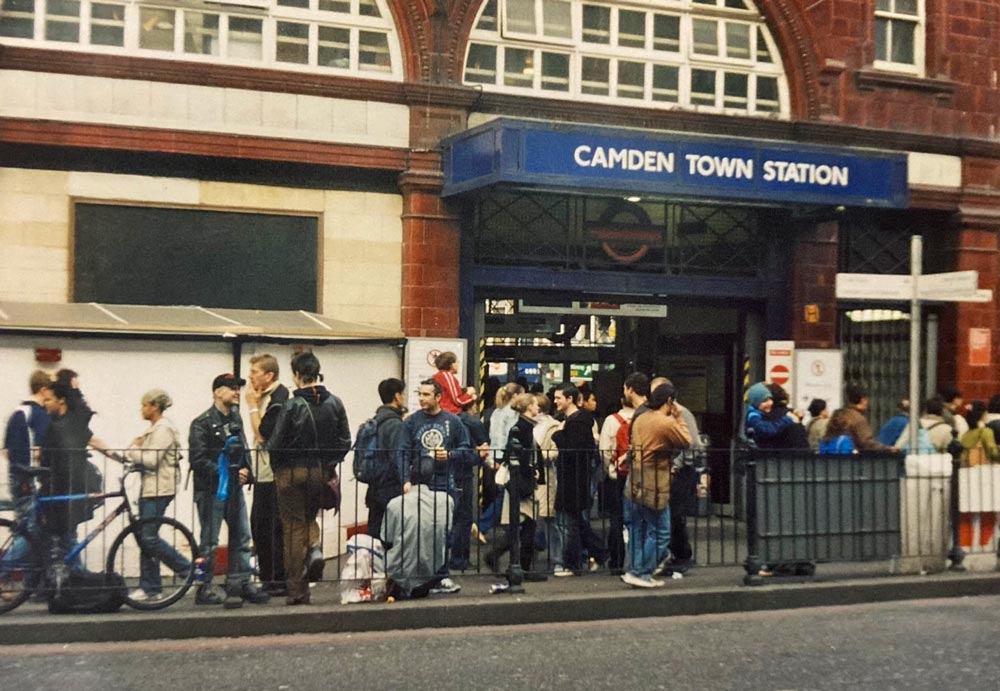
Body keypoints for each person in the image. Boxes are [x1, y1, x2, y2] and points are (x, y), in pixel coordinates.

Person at [264, 352, 351, 605]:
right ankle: (314, 548)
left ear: (297, 375)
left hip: (290, 473)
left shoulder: (292, 405)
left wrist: (278, 463)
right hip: (319, 472)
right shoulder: (335, 402)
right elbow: (345, 440)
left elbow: (276, 443)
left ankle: (297, 591)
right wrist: (329, 463)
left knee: (292, 527)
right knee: (310, 518)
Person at [188, 373, 269, 608]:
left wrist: (246, 470)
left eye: (238, 388)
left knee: (242, 536)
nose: (236, 392)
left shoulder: (236, 419)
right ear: (216, 392)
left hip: (233, 490)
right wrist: (228, 473)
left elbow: (242, 448)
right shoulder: (201, 423)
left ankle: (241, 582)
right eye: (231, 388)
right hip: (211, 491)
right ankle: (203, 587)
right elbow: (198, 459)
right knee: (209, 542)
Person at [396, 378, 471, 594]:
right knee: (420, 531)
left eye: (426, 394)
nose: (421, 398)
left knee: (443, 530)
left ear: (438, 397)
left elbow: (466, 449)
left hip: (445, 482)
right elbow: (402, 452)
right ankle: (422, 576)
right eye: (420, 394)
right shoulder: (410, 422)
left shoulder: (453, 421)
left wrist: (450, 454)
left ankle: (442, 574)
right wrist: (405, 480)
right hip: (419, 484)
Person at [123, 389, 191, 602]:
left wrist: (133, 449)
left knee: (149, 537)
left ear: (154, 406)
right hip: (151, 487)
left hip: (159, 489)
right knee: (145, 536)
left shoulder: (163, 429)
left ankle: (186, 570)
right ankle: (151, 586)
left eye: (144, 405)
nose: (141, 409)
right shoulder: (154, 429)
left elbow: (152, 460)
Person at [624, 382, 691, 588]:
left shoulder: (640, 418)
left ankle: (634, 570)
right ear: (669, 401)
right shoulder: (666, 422)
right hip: (655, 481)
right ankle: (643, 572)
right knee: (660, 531)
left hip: (635, 478)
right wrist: (678, 417)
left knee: (637, 528)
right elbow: (687, 441)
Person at [483, 393, 544, 581]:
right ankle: (519, 566)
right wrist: (531, 470)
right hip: (522, 482)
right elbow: (519, 453)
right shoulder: (523, 427)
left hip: (521, 481)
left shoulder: (522, 425)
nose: (537, 407)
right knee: (526, 525)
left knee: (522, 525)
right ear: (528, 407)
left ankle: (510, 561)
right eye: (534, 404)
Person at [243, 353, 289, 596]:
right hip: (263, 471)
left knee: (268, 527)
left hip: (272, 473)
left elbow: (262, 434)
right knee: (261, 525)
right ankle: (270, 577)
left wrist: (251, 404)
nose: (249, 377)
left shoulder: (279, 398)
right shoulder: (268, 396)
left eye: (254, 373)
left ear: (269, 375)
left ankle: (276, 580)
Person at [552, 383, 608, 576]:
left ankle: (573, 563)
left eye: (559, 397)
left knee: (569, 522)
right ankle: (599, 552)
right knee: (576, 521)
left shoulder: (576, 422)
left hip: (573, 478)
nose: (555, 401)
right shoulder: (579, 420)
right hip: (574, 477)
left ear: (570, 399)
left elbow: (570, 448)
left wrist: (558, 433)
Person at [365, 378, 407, 541]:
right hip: (390, 486)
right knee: (390, 536)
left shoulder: (376, 419)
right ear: (397, 396)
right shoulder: (395, 424)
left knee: (374, 531)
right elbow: (397, 456)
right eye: (402, 394)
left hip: (375, 484)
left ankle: (371, 565)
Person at [4, 370, 53, 502]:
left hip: (15, 475)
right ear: (43, 390)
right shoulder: (39, 414)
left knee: (22, 516)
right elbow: (38, 449)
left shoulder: (18, 411)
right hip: (31, 477)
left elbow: (6, 450)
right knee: (32, 520)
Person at [454, 386, 488, 570]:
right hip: (464, 471)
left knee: (451, 516)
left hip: (449, 471)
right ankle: (460, 558)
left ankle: (450, 556)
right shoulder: (472, 423)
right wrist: (478, 456)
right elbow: (483, 447)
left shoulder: (450, 420)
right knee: (464, 516)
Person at [832, 384, 896, 453]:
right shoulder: (858, 418)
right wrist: (887, 448)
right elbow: (866, 443)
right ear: (863, 400)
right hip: (852, 459)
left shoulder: (838, 415)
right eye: (866, 400)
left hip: (833, 458)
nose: (867, 403)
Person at [744, 382, 799, 447]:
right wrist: (788, 419)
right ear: (756, 403)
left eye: (770, 399)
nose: (770, 403)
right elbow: (767, 430)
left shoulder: (759, 414)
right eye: (765, 401)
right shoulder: (753, 416)